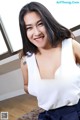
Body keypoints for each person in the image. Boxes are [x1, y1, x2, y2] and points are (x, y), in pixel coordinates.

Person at [19, 2, 80, 120]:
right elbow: (26, 86)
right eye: (29, 28)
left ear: (48, 23)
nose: (36, 32)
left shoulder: (70, 46)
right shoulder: (26, 60)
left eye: (40, 24)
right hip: (49, 116)